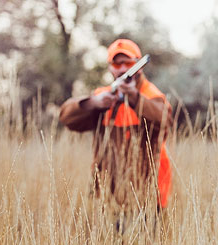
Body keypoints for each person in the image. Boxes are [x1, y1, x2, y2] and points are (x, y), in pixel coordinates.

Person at [59, 38, 173, 229]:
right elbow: (66, 117)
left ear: (139, 65)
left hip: (148, 194)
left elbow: (166, 121)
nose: (122, 68)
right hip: (109, 195)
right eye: (116, 63)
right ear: (110, 67)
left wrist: (134, 98)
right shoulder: (103, 95)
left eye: (128, 63)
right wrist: (94, 103)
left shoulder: (152, 94)